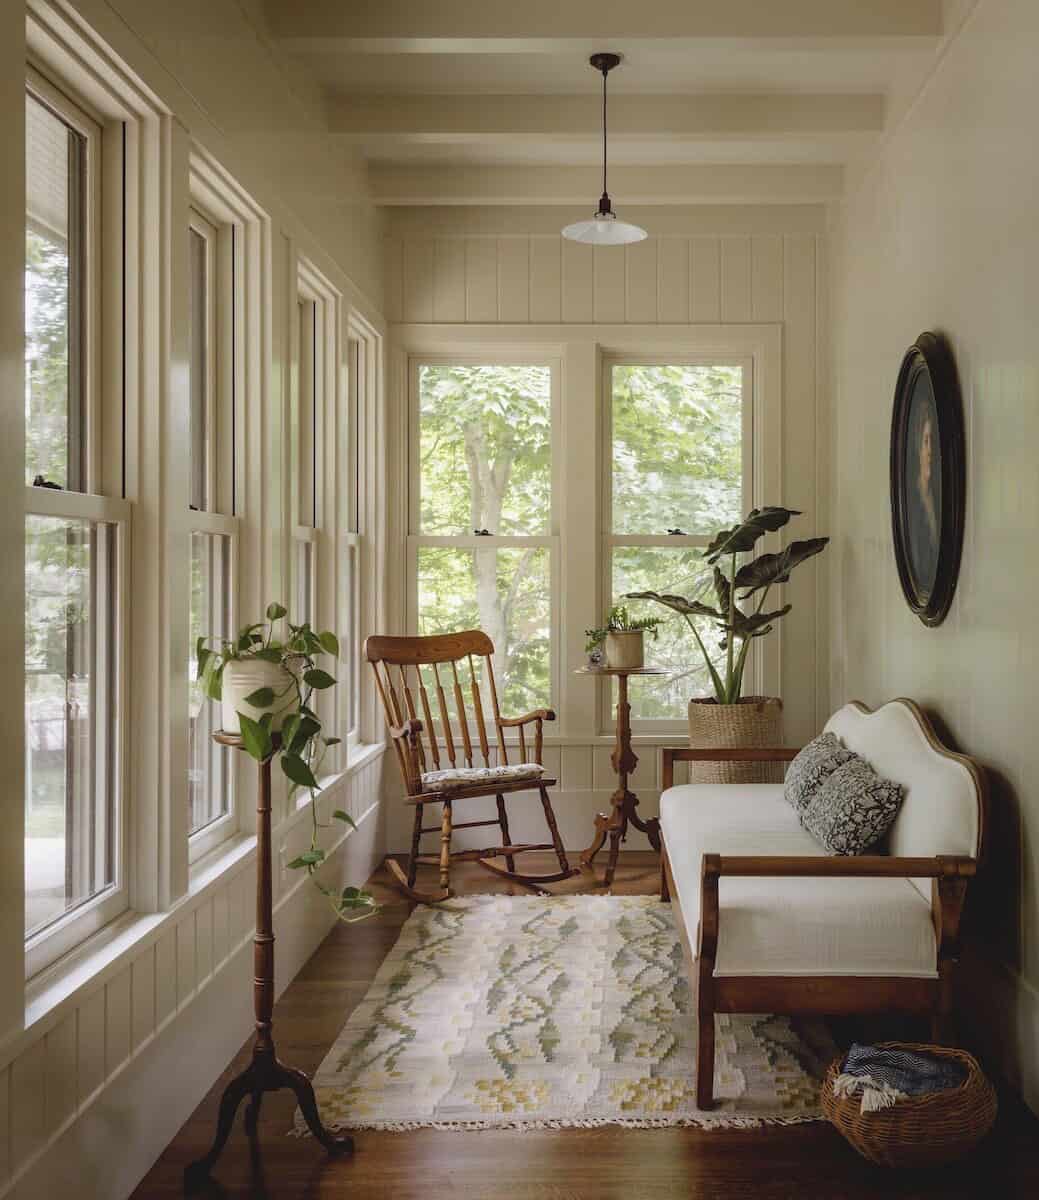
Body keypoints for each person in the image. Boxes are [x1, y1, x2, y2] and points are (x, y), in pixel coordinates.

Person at [905, 386, 940, 599]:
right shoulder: (911, 502)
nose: (931, 450)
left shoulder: (938, 497)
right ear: (918, 446)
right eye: (926, 441)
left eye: (933, 441)